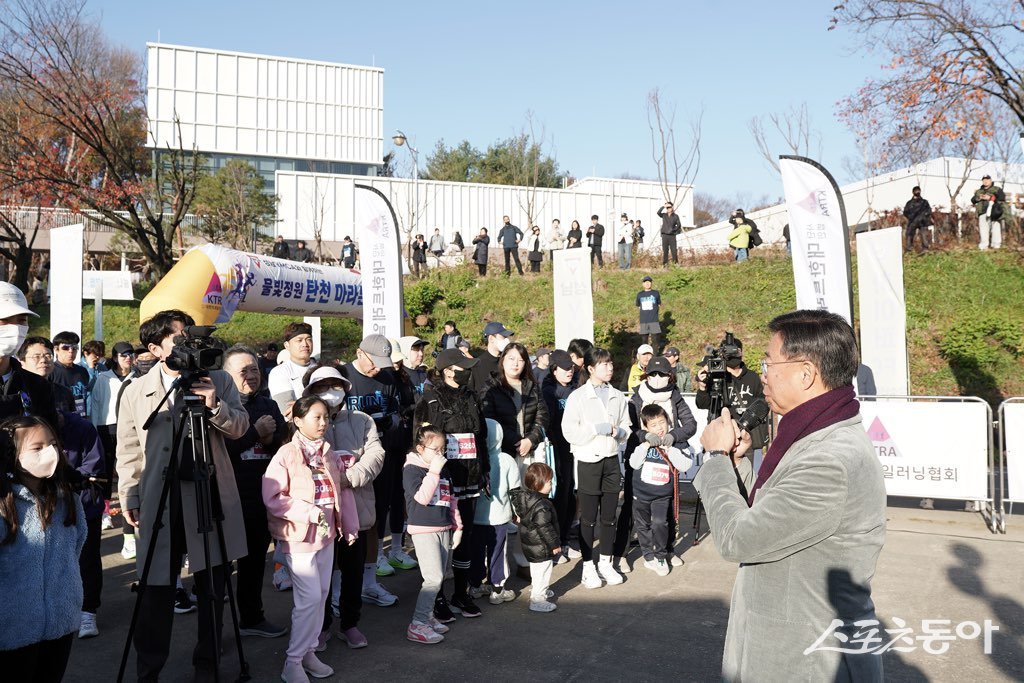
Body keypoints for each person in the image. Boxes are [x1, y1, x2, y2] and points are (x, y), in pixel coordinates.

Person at [695, 309, 886, 682]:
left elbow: (739, 539)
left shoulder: (829, 460)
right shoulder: (813, 435)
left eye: (769, 363)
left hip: (806, 662)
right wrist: (738, 464)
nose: (762, 375)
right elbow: (770, 514)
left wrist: (716, 459)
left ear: (806, 373)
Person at [115, 309, 249, 681]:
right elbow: (127, 449)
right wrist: (130, 495)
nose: (190, 342)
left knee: (212, 588)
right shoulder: (136, 389)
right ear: (156, 348)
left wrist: (214, 406)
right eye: (179, 336)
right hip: (160, 495)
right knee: (156, 589)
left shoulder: (219, 379)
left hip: (210, 493)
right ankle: (148, 669)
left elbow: (240, 427)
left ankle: (208, 664)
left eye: (190, 333)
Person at [263, 395, 359, 682]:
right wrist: (309, 512)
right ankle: (292, 661)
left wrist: (349, 526)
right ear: (297, 420)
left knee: (320, 597)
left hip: (326, 536)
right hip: (299, 538)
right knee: (308, 600)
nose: (323, 422)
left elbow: (342, 492)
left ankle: (308, 652)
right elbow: (272, 496)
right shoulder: (286, 454)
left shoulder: (328, 452)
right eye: (316, 417)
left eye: (326, 417)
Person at [304, 366, 390, 645]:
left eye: (336, 385)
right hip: (322, 513)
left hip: (358, 508)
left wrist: (350, 478)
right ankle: (323, 623)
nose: (331, 391)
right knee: (322, 575)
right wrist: (332, 479)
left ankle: (350, 623)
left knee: (353, 571)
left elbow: (376, 454)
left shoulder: (362, 420)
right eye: (324, 385)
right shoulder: (308, 421)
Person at [0, 415, 87, 680]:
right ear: (10, 454)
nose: (49, 452)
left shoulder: (67, 500)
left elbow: (77, 547)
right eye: (36, 447)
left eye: (52, 444)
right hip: (11, 630)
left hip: (60, 625)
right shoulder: (4, 504)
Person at [413, 348, 489, 621]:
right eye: (463, 367)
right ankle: (438, 597)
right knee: (444, 539)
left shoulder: (472, 397)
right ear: (447, 370)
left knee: (465, 535)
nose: (468, 372)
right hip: (444, 478)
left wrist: (485, 471)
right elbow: (421, 443)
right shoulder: (431, 399)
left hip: (470, 476)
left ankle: (461, 591)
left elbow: (481, 439)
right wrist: (431, 477)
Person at [221, 346, 289, 640]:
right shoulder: (220, 406)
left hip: (261, 494)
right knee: (219, 567)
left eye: (254, 370)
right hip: (226, 495)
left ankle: (252, 618)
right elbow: (218, 452)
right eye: (243, 371)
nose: (250, 376)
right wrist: (255, 433)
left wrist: (271, 437)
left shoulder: (268, 404)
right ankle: (214, 633)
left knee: (252, 564)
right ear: (226, 376)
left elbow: (283, 447)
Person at [338, 335, 409, 580]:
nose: (377, 368)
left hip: (381, 453)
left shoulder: (388, 378)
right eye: (373, 362)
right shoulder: (343, 375)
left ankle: (376, 558)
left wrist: (392, 422)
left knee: (379, 508)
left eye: (382, 362)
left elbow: (399, 414)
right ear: (359, 353)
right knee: (349, 514)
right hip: (350, 457)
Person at [561, 347, 630, 589]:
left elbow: (626, 427)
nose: (609, 368)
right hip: (589, 461)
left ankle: (606, 562)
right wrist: (594, 429)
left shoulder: (617, 396)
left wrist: (619, 432)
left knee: (610, 517)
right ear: (591, 368)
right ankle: (588, 566)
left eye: (610, 363)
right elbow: (569, 432)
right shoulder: (577, 397)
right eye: (604, 364)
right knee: (588, 519)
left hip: (612, 460)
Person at [403, 424, 463, 644]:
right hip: (423, 529)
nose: (440, 454)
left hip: (443, 527)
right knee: (433, 578)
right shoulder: (412, 469)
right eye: (434, 449)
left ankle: (427, 616)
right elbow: (421, 497)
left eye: (442, 449)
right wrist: (434, 470)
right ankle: (417, 623)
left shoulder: (444, 470)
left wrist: (458, 527)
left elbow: (452, 500)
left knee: (440, 577)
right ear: (420, 448)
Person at [627, 402, 693, 577]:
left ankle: (661, 555)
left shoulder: (676, 443)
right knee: (643, 525)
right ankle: (648, 555)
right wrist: (645, 445)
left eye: (662, 422)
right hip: (640, 494)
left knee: (659, 523)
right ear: (646, 427)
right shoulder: (642, 443)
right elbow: (633, 463)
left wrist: (671, 450)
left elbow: (686, 464)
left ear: (669, 422)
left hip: (662, 495)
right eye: (654, 425)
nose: (659, 428)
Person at [695, 336, 770, 471]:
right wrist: (702, 386)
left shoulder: (752, 377)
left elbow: (762, 403)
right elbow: (702, 404)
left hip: (746, 437)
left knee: (745, 474)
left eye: (735, 351)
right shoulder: (716, 375)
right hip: (722, 436)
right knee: (720, 473)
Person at [469, 419, 522, 606]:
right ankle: (497, 588)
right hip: (499, 518)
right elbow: (515, 491)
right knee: (497, 551)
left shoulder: (474, 459)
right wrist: (518, 512)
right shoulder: (507, 460)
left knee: (475, 551)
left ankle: (474, 585)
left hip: (475, 517)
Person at [90, 341, 135, 528]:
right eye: (124, 355)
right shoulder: (104, 378)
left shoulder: (137, 378)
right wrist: (93, 430)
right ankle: (105, 512)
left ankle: (132, 507)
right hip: (106, 428)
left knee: (130, 468)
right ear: (115, 357)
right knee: (106, 471)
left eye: (131, 354)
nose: (128, 358)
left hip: (130, 428)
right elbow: (96, 404)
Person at [481, 342, 549, 459]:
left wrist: (530, 440)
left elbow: (543, 417)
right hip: (502, 452)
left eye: (521, 360)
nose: (515, 364)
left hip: (530, 451)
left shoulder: (532, 387)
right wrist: (517, 442)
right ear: (503, 360)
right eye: (511, 358)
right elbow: (490, 419)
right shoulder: (491, 388)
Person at [540, 351, 578, 560]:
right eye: (564, 368)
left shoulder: (575, 389)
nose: (569, 372)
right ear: (554, 370)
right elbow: (549, 423)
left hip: (575, 450)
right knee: (557, 498)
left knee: (570, 498)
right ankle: (555, 544)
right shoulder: (548, 391)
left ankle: (564, 541)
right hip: (556, 451)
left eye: (571, 368)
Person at [509, 462, 561, 613]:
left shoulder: (525, 499)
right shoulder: (542, 505)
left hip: (531, 544)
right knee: (544, 570)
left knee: (537, 571)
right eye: (549, 481)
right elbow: (545, 527)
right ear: (539, 483)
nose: (551, 484)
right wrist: (554, 544)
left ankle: (539, 589)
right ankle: (538, 598)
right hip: (541, 546)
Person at [267, 321, 316, 417]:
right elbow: (287, 411)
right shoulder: (279, 372)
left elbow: (336, 403)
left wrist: (301, 405)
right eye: (299, 340)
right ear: (287, 345)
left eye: (308, 339)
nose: (305, 344)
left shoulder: (322, 369)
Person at [50, 331, 90, 417]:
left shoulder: (82, 371)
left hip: (81, 419)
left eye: (74, 348)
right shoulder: (50, 371)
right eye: (65, 348)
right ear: (56, 349)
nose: (70, 351)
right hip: (60, 421)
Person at [470, 321, 514, 391]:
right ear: (491, 338)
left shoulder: (507, 361)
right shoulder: (478, 364)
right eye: (503, 337)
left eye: (506, 337)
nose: (507, 340)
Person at [972, 174, 1005, 250]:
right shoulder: (979, 191)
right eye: (984, 180)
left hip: (994, 212)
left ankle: (996, 246)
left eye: (987, 179)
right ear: (982, 181)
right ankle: (984, 246)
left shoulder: (997, 189)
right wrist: (979, 198)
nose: (986, 181)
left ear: (991, 180)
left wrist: (990, 198)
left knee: (996, 228)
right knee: (983, 229)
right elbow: (973, 200)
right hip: (982, 212)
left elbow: (1002, 198)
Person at [635, 276, 663, 354]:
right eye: (645, 282)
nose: (647, 283)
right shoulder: (639, 294)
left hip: (654, 320)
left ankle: (655, 356)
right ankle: (645, 356)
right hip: (643, 321)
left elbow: (659, 304)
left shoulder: (656, 293)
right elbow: (638, 306)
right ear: (643, 284)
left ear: (651, 283)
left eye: (649, 282)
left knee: (655, 340)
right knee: (644, 341)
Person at [398, 336, 430, 401]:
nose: (421, 354)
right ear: (405, 350)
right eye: (417, 350)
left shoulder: (425, 373)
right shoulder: (398, 375)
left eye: (422, 349)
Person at [901, 186, 932, 253]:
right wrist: (911, 217)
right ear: (913, 192)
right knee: (909, 235)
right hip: (912, 222)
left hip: (922, 222)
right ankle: (909, 250)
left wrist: (924, 216)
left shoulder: (924, 202)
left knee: (924, 235)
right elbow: (905, 212)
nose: (917, 192)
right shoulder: (909, 203)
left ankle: (925, 249)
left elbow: (929, 211)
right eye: (916, 191)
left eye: (919, 190)